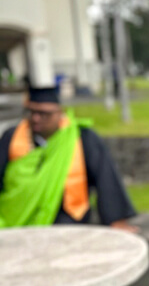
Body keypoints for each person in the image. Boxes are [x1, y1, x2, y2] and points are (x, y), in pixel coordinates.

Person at [0, 86, 137, 231]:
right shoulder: (13, 136)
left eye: (44, 114)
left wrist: (115, 219)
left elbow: (106, 177)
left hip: (64, 218)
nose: (36, 119)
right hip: (16, 217)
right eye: (32, 112)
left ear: (59, 113)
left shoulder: (81, 137)